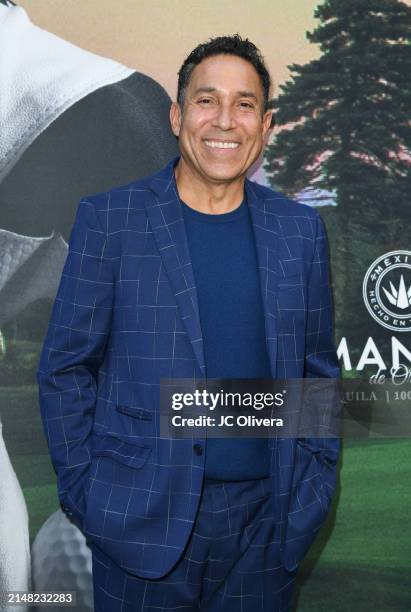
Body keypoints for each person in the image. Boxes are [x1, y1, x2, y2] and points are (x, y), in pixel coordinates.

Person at [37, 34, 341, 612]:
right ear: (177, 115)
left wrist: (311, 491)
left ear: (266, 124)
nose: (224, 121)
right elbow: (65, 368)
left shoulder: (300, 233)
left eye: (244, 104)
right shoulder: (110, 220)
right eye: (207, 100)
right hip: (139, 529)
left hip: (265, 534)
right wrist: (88, 492)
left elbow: (315, 372)